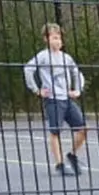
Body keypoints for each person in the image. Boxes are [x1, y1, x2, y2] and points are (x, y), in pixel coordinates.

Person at [24, 23, 88, 177]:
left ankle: (72, 155)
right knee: (55, 131)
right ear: (46, 39)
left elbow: (77, 73)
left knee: (83, 129)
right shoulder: (43, 56)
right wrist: (37, 90)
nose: (57, 41)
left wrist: (77, 90)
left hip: (66, 99)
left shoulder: (66, 58)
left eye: (59, 38)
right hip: (53, 100)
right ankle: (59, 164)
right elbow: (28, 69)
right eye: (54, 38)